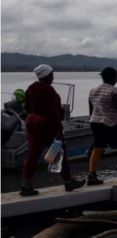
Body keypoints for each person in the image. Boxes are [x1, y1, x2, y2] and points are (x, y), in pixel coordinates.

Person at [19, 65, 86, 196]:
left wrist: (35, 114)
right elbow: (52, 112)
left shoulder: (31, 88)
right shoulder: (48, 90)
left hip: (31, 121)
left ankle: (26, 185)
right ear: (47, 75)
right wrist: (59, 131)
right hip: (45, 123)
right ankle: (68, 181)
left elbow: (27, 105)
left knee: (32, 154)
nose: (53, 76)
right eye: (52, 74)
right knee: (60, 151)